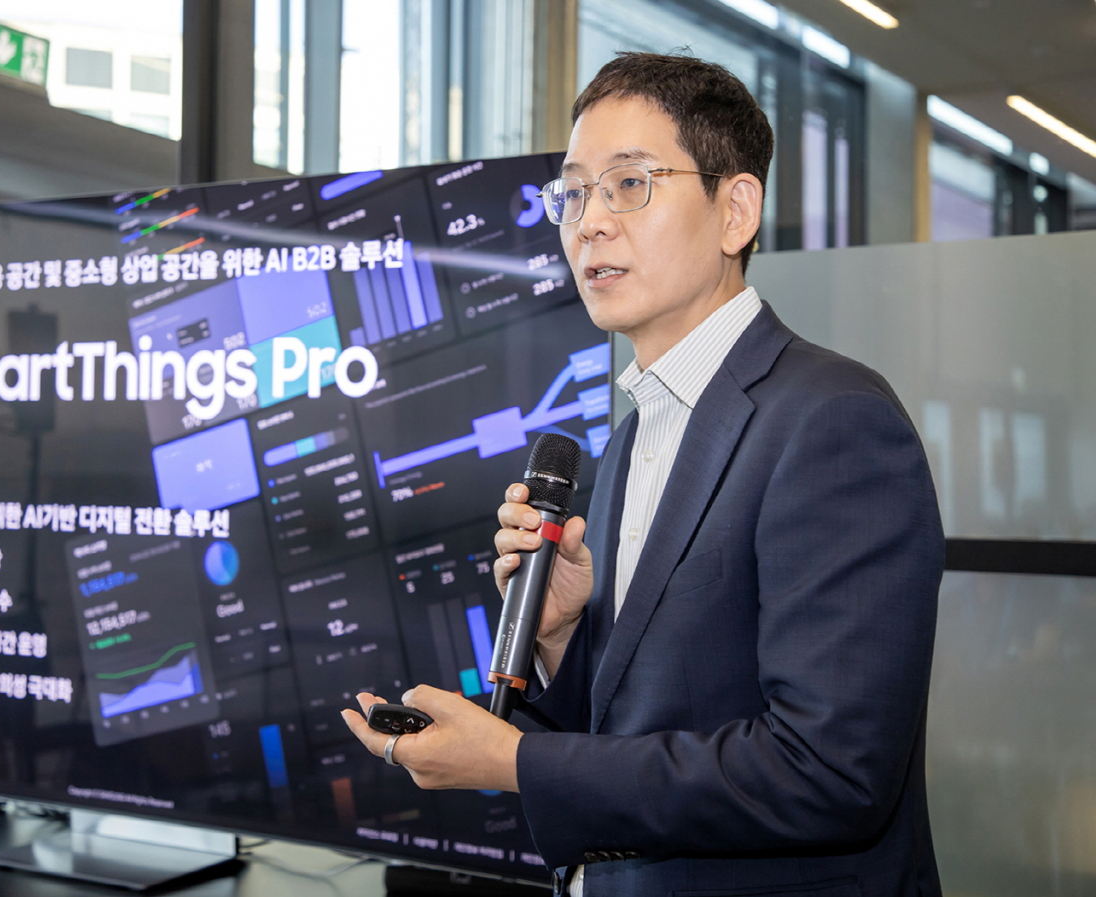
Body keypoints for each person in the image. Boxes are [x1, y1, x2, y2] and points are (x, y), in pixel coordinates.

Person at [343, 52, 944, 897]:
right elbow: (644, 716)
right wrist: (561, 637)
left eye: (629, 184)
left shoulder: (833, 420)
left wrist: (519, 761)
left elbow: (830, 774)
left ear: (736, 210)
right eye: (574, 192)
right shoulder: (633, 433)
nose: (588, 223)